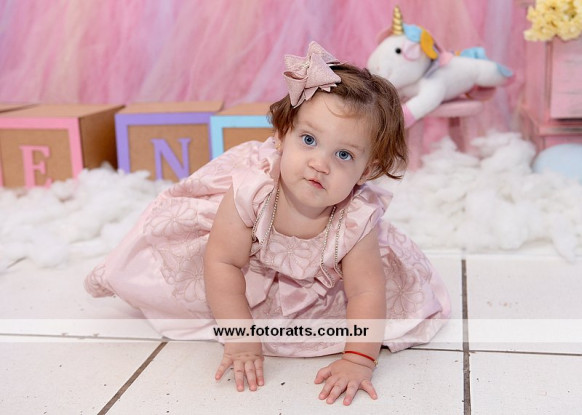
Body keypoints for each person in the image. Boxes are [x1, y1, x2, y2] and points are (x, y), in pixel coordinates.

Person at [85, 41, 450, 406]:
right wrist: (241, 338)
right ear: (281, 136)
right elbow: (223, 262)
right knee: (184, 287)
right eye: (308, 140)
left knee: (392, 303)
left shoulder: (356, 217)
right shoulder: (253, 190)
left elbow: (365, 292)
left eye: (343, 154)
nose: (320, 164)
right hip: (243, 268)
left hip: (324, 283)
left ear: (367, 171)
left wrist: (358, 360)